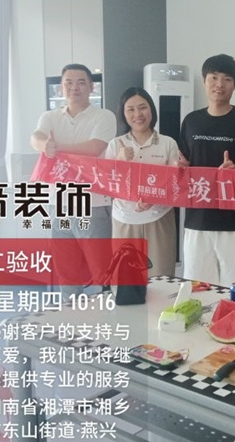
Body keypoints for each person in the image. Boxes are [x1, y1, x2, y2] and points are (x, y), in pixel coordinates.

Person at [178, 54, 235, 285]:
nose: (219, 84)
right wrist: (179, 166)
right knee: (198, 285)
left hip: (234, 221)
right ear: (204, 81)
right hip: (197, 220)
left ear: (234, 85)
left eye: (227, 79)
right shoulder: (191, 121)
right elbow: (183, 163)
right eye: (214, 77)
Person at [31, 63, 117, 295]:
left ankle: (108, 315)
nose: (74, 88)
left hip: (93, 203)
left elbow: (94, 148)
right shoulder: (50, 116)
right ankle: (70, 315)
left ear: (91, 87)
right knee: (66, 273)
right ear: (61, 87)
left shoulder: (104, 116)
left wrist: (56, 148)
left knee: (102, 270)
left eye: (80, 82)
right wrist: (43, 145)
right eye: (68, 83)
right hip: (58, 203)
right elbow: (36, 137)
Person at [104, 87, 179, 277]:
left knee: (162, 278)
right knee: (126, 280)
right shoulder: (115, 144)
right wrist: (120, 161)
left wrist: (154, 198)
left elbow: (175, 184)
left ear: (151, 109)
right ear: (123, 114)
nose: (137, 114)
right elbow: (107, 185)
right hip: (124, 220)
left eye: (142, 107)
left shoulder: (168, 143)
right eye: (130, 109)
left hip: (159, 218)